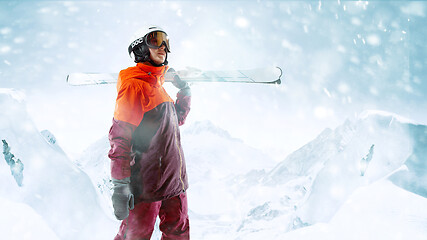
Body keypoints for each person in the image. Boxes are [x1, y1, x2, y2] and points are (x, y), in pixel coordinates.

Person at [108, 26, 191, 240]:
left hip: (174, 183)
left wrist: (184, 91)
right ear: (141, 48)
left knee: (178, 234)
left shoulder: (158, 88)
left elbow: (175, 121)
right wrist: (120, 185)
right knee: (135, 236)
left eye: (166, 42)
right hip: (146, 185)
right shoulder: (134, 86)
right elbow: (120, 137)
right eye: (156, 40)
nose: (163, 46)